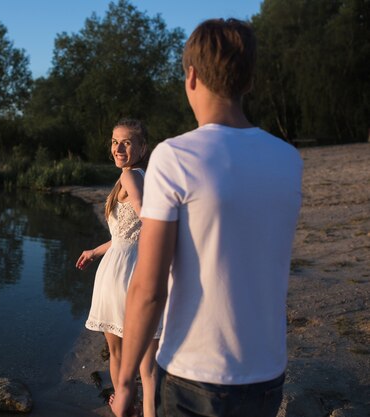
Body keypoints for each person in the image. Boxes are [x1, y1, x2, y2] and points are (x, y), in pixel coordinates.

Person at [111, 18, 303, 417]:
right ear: (249, 82)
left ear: (192, 77)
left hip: (193, 374)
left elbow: (148, 287)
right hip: (267, 372)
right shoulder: (288, 160)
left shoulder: (174, 156)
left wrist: (126, 381)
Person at [77, 118, 161, 417]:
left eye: (126, 142)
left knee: (118, 353)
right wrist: (94, 250)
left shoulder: (129, 177)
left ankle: (124, 406)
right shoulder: (143, 176)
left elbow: (148, 218)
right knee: (146, 364)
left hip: (122, 275)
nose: (118, 148)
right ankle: (144, 410)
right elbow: (124, 235)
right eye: (114, 142)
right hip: (135, 265)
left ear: (142, 147)